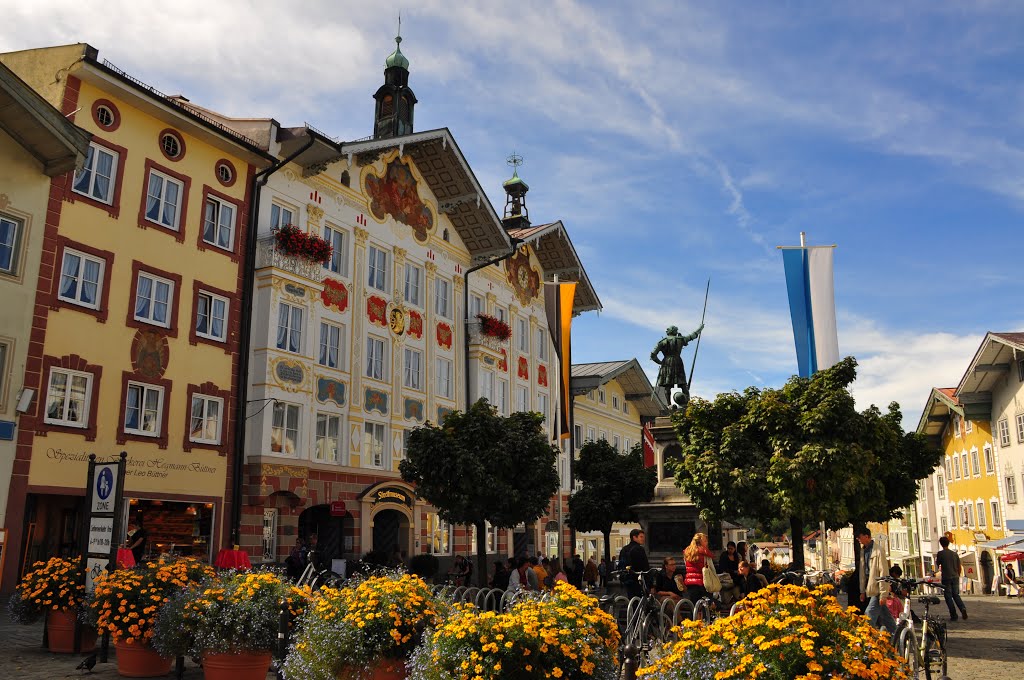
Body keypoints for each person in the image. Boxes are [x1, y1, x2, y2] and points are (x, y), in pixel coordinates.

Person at [650, 324, 704, 407]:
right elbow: (692, 336)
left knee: (667, 386)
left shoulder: (662, 342)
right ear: (675, 332)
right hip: (678, 361)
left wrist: (660, 362)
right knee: (683, 384)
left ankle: (669, 405)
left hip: (666, 363)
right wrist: (700, 328)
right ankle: (687, 404)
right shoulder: (680, 339)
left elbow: (653, 355)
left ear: (668, 332)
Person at [856, 527, 896, 634]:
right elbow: (863, 572)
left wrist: (883, 594)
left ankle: (866, 640)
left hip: (878, 587)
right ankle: (896, 634)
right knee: (885, 615)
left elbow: (884, 572)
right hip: (870, 585)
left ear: (866, 536)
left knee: (869, 613)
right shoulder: (863, 550)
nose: (858, 539)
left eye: (859, 537)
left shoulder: (878, 551)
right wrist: (862, 591)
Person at [935, 536, 967, 621]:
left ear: (941, 544)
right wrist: (958, 575)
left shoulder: (940, 554)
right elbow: (959, 567)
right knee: (956, 595)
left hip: (946, 577)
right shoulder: (954, 554)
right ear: (948, 543)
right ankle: (962, 608)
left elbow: (938, 565)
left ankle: (953, 615)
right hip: (955, 576)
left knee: (948, 597)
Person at [618, 529, 651, 598]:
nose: (643, 539)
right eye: (641, 537)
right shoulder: (639, 549)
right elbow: (644, 566)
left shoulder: (624, 549)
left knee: (630, 599)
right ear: (634, 537)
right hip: (637, 579)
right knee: (639, 599)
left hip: (626, 578)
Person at [683, 532, 715, 604]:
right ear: (700, 542)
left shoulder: (687, 552)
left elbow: (686, 566)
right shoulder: (705, 552)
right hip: (704, 582)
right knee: (705, 606)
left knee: (694, 606)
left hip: (690, 582)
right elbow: (711, 568)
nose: (707, 543)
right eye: (705, 541)